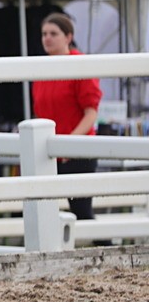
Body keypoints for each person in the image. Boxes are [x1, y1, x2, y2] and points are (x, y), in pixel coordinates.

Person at [32, 12, 103, 228]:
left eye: (54, 33)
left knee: (81, 211)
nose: (47, 38)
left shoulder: (79, 65)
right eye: (44, 34)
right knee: (43, 210)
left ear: (68, 37)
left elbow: (91, 112)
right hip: (51, 153)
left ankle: (109, 250)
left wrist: (68, 143)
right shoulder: (40, 69)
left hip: (77, 151)